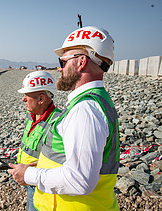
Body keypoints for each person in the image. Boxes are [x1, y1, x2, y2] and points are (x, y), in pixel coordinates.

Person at [8, 26, 120, 210]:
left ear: (81, 62)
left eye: (63, 61)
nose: (59, 68)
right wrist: (43, 165)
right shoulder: (94, 103)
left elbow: (81, 180)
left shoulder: (85, 109)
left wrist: (29, 175)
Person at [16, 71, 61, 210]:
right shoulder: (30, 115)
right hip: (28, 181)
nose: (23, 99)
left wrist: (28, 171)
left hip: (42, 186)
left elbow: (59, 162)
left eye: (26, 95)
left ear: (41, 99)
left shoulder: (58, 123)